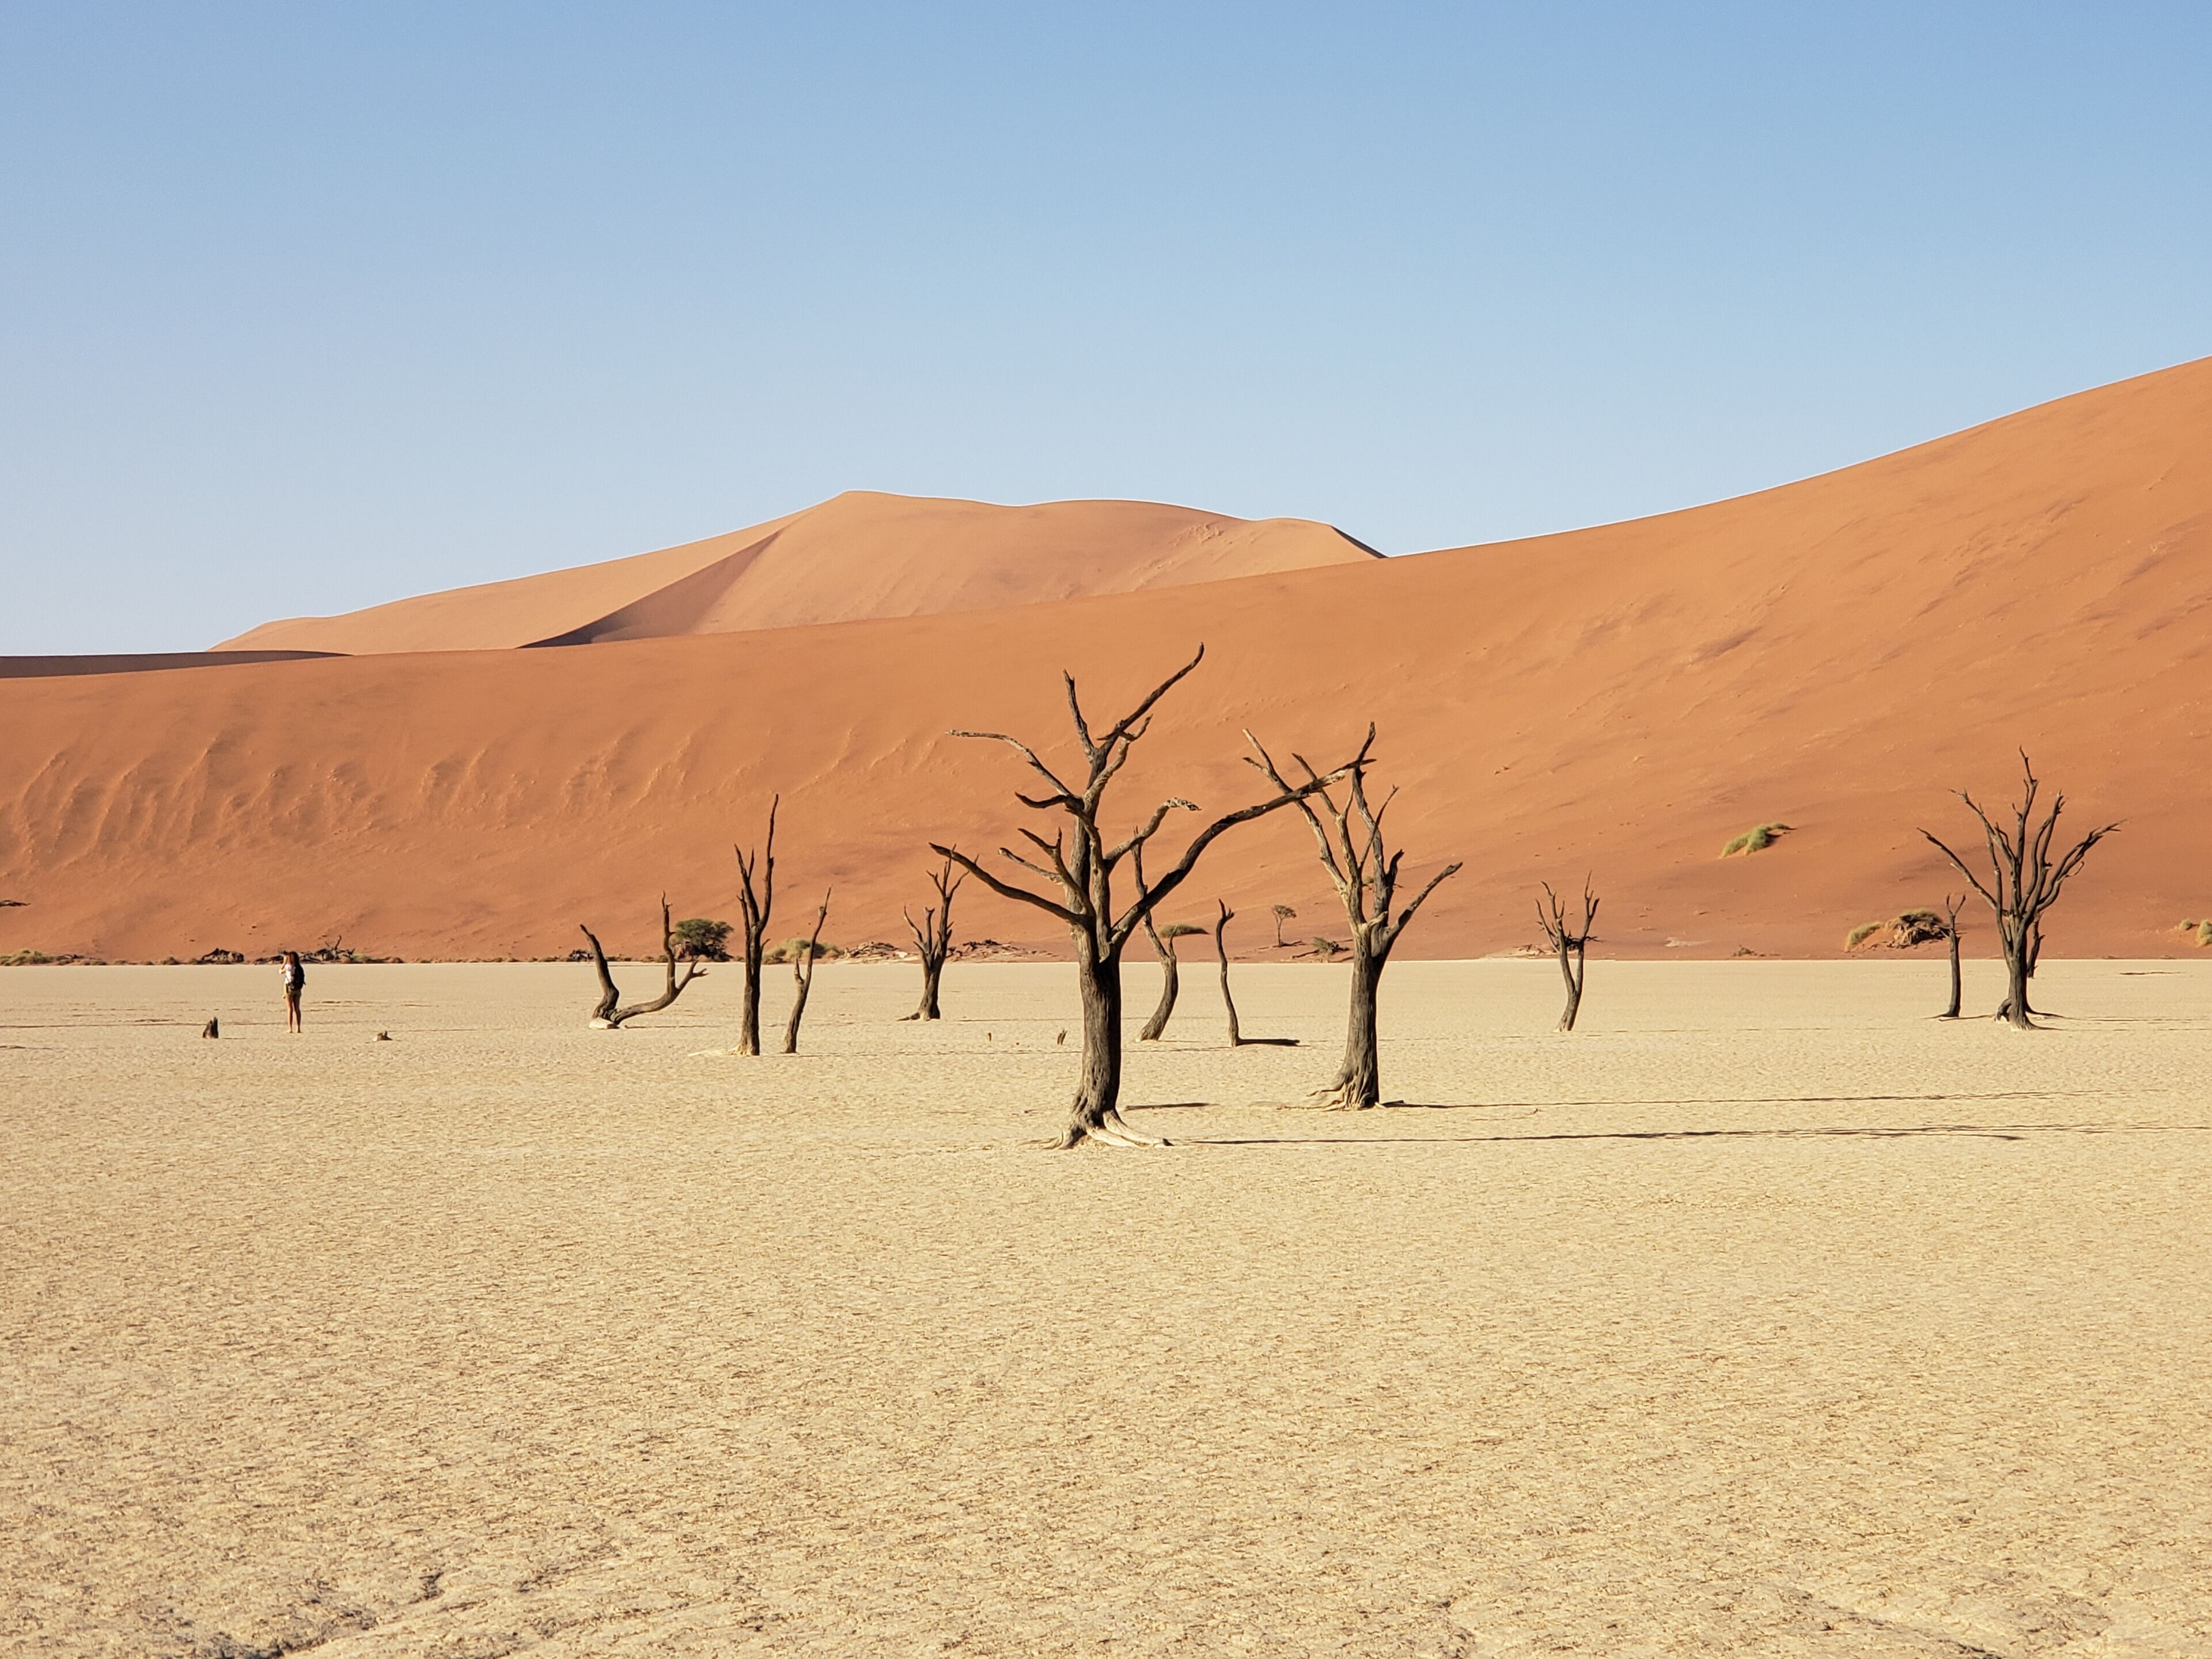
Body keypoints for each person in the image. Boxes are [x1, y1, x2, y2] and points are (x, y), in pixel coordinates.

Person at [279, 950, 306, 1033]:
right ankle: (298, 1028)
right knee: (297, 1009)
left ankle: (290, 1028)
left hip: (289, 987)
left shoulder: (288, 966)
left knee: (290, 1009)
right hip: (298, 989)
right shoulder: (299, 967)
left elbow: (280, 972)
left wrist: (284, 963)